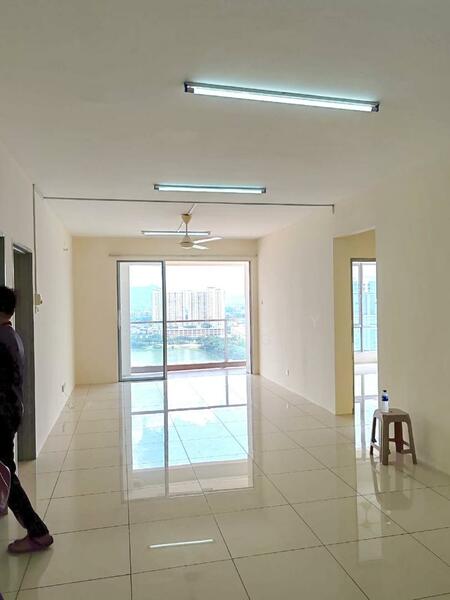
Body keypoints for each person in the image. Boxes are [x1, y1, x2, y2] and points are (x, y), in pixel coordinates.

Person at [0, 285, 53, 554]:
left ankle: (38, 532)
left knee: (5, 474)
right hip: (11, 412)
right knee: (4, 470)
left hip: (2, 417)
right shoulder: (12, 336)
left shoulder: (1, 340)